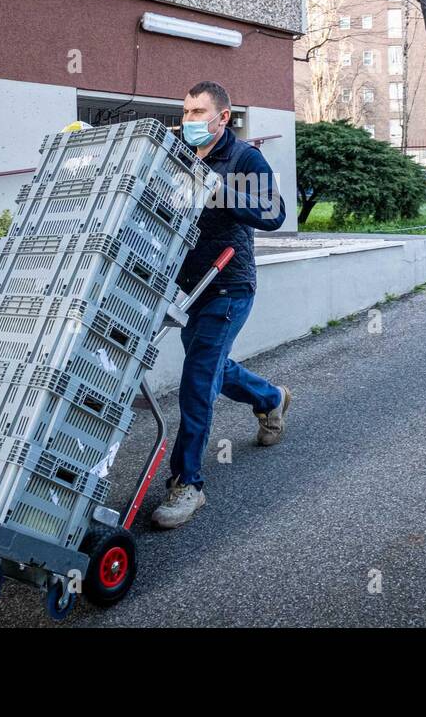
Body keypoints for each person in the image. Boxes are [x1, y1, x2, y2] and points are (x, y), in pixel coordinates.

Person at [150, 81, 290, 530]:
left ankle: (186, 483)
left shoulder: (244, 159)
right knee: (211, 365)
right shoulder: (177, 156)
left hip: (229, 285)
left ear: (222, 117)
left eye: (197, 112)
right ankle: (270, 397)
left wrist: (218, 190)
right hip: (188, 288)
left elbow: (273, 213)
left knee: (197, 379)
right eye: (185, 111)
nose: (187, 121)